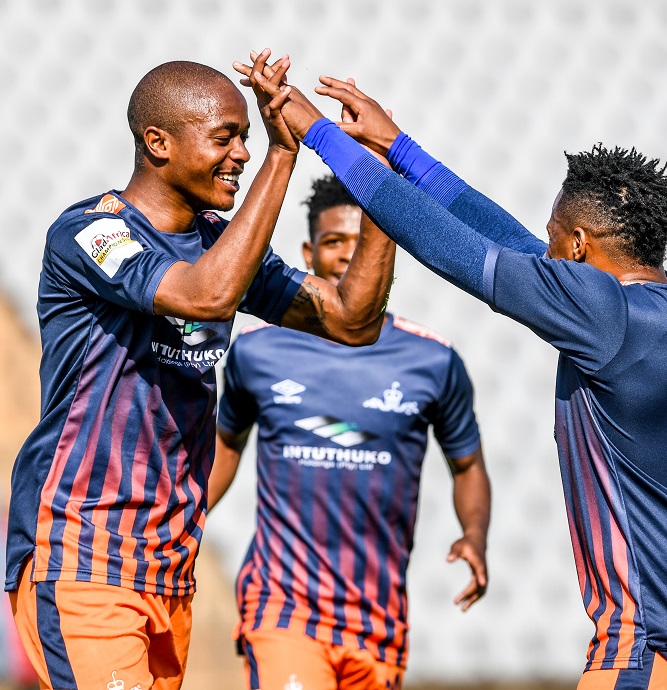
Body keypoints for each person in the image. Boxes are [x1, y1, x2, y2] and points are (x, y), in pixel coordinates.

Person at [243, 58, 667, 689]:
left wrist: (319, 134)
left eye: (555, 238)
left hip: (660, 635)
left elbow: (450, 246)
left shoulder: (604, 316)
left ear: (581, 246)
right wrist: (399, 149)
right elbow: (505, 240)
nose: (546, 249)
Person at [4, 51, 395, 690]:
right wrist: (282, 155)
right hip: (82, 555)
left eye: (246, 135)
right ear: (157, 142)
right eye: (225, 137)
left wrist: (380, 182)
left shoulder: (221, 243)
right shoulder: (91, 233)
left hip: (167, 566)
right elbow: (202, 296)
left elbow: (351, 319)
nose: (241, 151)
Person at [207, 174, 490, 690]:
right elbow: (226, 444)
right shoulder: (256, 350)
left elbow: (467, 465)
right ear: (307, 252)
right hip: (282, 605)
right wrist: (186, 517)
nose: (347, 255)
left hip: (377, 618)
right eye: (334, 242)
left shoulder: (433, 360)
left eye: (361, 242)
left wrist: (474, 536)